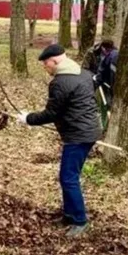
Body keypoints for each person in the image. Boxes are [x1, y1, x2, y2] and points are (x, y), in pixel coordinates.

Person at [17, 44, 101, 237]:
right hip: (87, 131)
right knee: (68, 177)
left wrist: (27, 119)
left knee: (68, 178)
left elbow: (51, 113)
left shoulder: (60, 82)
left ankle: (80, 220)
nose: (45, 69)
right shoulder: (84, 73)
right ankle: (69, 215)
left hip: (78, 136)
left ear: (54, 61)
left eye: (46, 65)